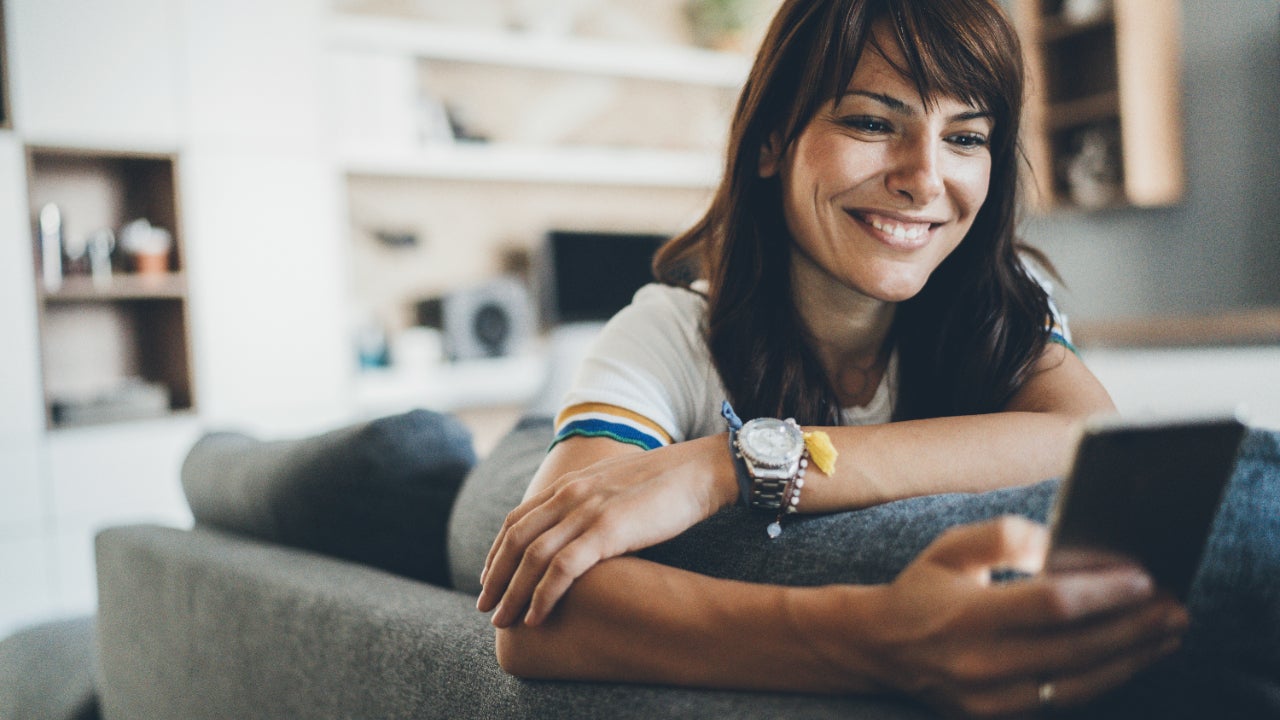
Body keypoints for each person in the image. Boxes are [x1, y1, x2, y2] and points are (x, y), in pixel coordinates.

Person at [476, 0, 1190, 716]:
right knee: (456, 485)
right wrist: (886, 640)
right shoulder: (668, 330)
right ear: (771, 141)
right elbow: (535, 619)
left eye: (965, 136)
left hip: (683, 455)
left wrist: (728, 467)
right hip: (533, 451)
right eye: (873, 123)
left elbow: (1089, 442)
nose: (924, 177)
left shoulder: (1002, 304)